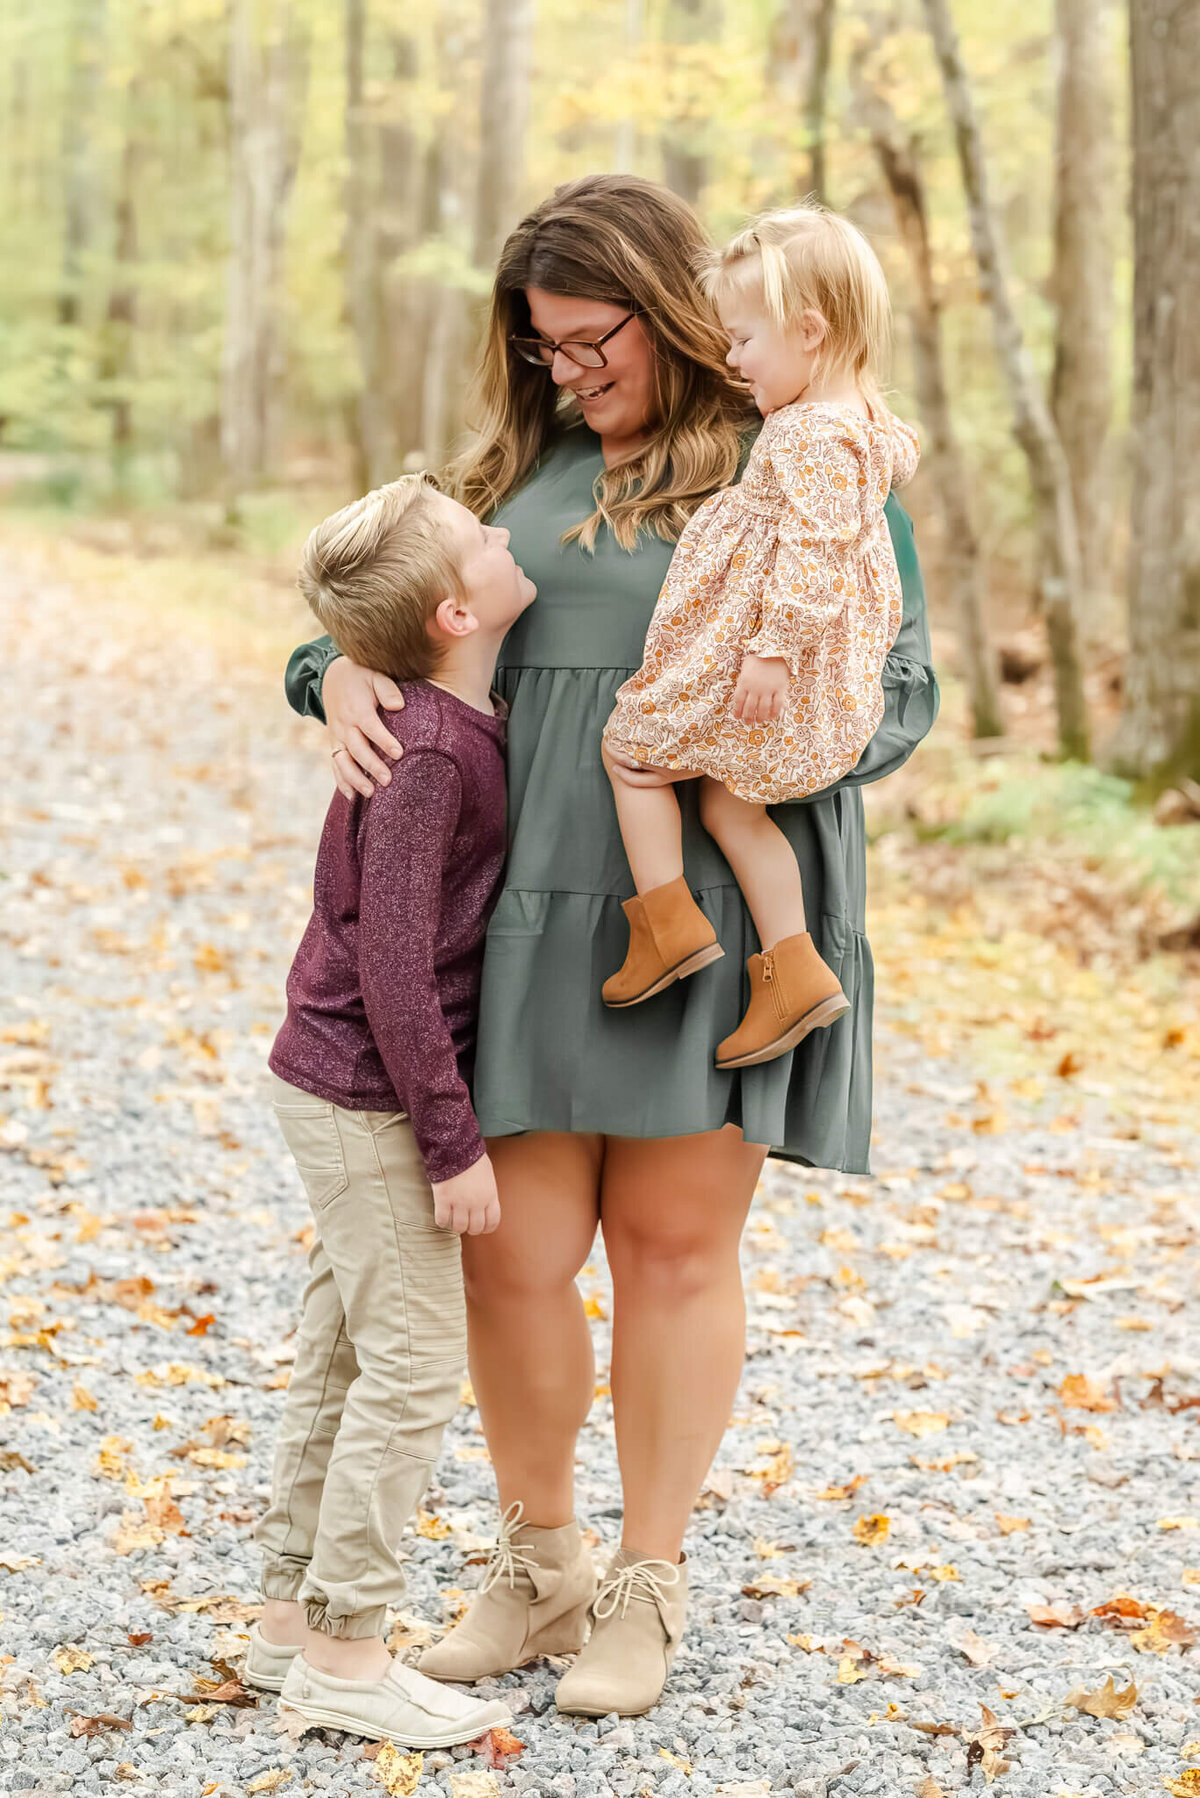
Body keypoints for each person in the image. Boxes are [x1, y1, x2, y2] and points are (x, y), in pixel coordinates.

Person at [284, 173, 937, 1719]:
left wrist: (757, 749)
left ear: (678, 310)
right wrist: (329, 675)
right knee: (509, 1254)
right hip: (510, 916)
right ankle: (539, 1559)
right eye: (544, 345)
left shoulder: (804, 463)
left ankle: (648, 1578)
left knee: (670, 1249)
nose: (568, 369)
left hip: (702, 909)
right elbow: (379, 603)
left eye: (594, 339)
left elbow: (894, 689)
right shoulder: (513, 471)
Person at [246, 473, 535, 1748]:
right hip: (369, 1092)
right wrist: (452, 1139)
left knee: (345, 1347)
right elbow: (395, 967)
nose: (504, 527)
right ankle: (351, 1646)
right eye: (482, 534)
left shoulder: (446, 719)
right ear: (457, 613)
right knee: (411, 1364)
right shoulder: (425, 755)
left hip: (339, 1081)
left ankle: (287, 1627)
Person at [602, 204, 919, 1076]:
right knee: (731, 807)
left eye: (743, 341)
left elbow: (815, 548)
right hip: (790, 664)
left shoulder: (816, 432)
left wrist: (772, 650)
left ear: (809, 332)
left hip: (772, 665)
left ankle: (665, 923)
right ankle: (793, 969)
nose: (732, 361)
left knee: (630, 751)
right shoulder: (857, 424)